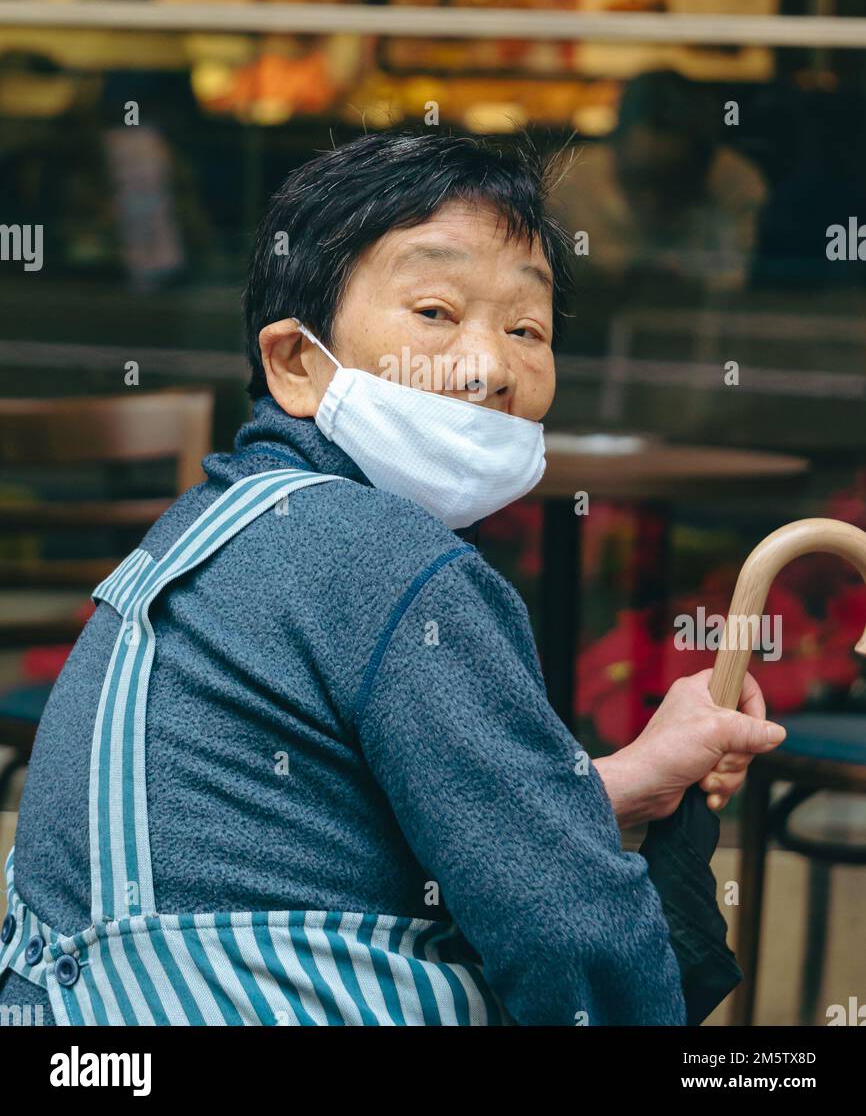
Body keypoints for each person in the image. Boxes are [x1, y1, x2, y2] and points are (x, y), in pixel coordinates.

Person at [0, 130, 785, 1027]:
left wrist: (617, 781)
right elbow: (569, 929)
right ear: (297, 363)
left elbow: (312, 834)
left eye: (526, 328)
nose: (490, 367)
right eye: (436, 314)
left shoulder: (204, 529)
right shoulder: (392, 565)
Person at [551, 70, 768, 291]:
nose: (651, 200)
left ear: (704, 170)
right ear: (615, 152)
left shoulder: (735, 185)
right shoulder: (565, 181)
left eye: (668, 183)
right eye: (639, 180)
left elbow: (731, 285)